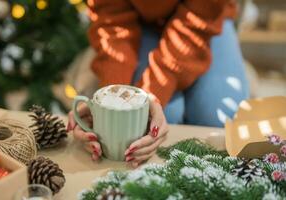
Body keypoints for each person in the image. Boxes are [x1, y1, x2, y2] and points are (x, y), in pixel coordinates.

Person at [67, 0, 249, 167]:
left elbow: (195, 24)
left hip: (205, 17)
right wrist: (112, 99)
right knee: (157, 120)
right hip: (137, 20)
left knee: (217, 123)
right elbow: (111, 17)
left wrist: (154, 92)